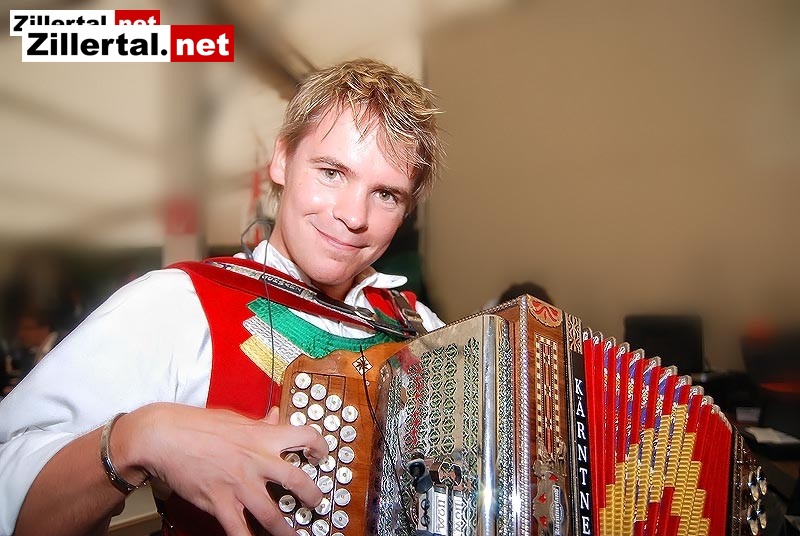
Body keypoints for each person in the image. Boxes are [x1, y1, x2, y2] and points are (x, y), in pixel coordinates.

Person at [0, 58, 445, 536]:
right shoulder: (178, 304)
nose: (354, 216)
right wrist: (137, 439)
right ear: (282, 159)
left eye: (386, 195)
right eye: (332, 172)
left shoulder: (423, 327)